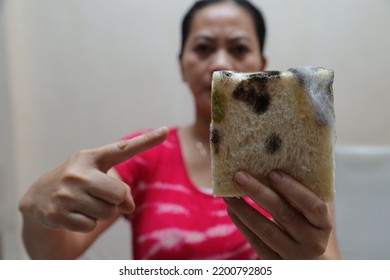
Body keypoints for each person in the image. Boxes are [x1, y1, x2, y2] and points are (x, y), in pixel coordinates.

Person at [18, 0, 340, 260]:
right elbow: (53, 257)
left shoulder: (295, 159)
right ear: (182, 66)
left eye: (239, 49)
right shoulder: (146, 153)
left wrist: (313, 266)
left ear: (262, 65)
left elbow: (330, 262)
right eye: (203, 48)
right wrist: (36, 213)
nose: (220, 63)